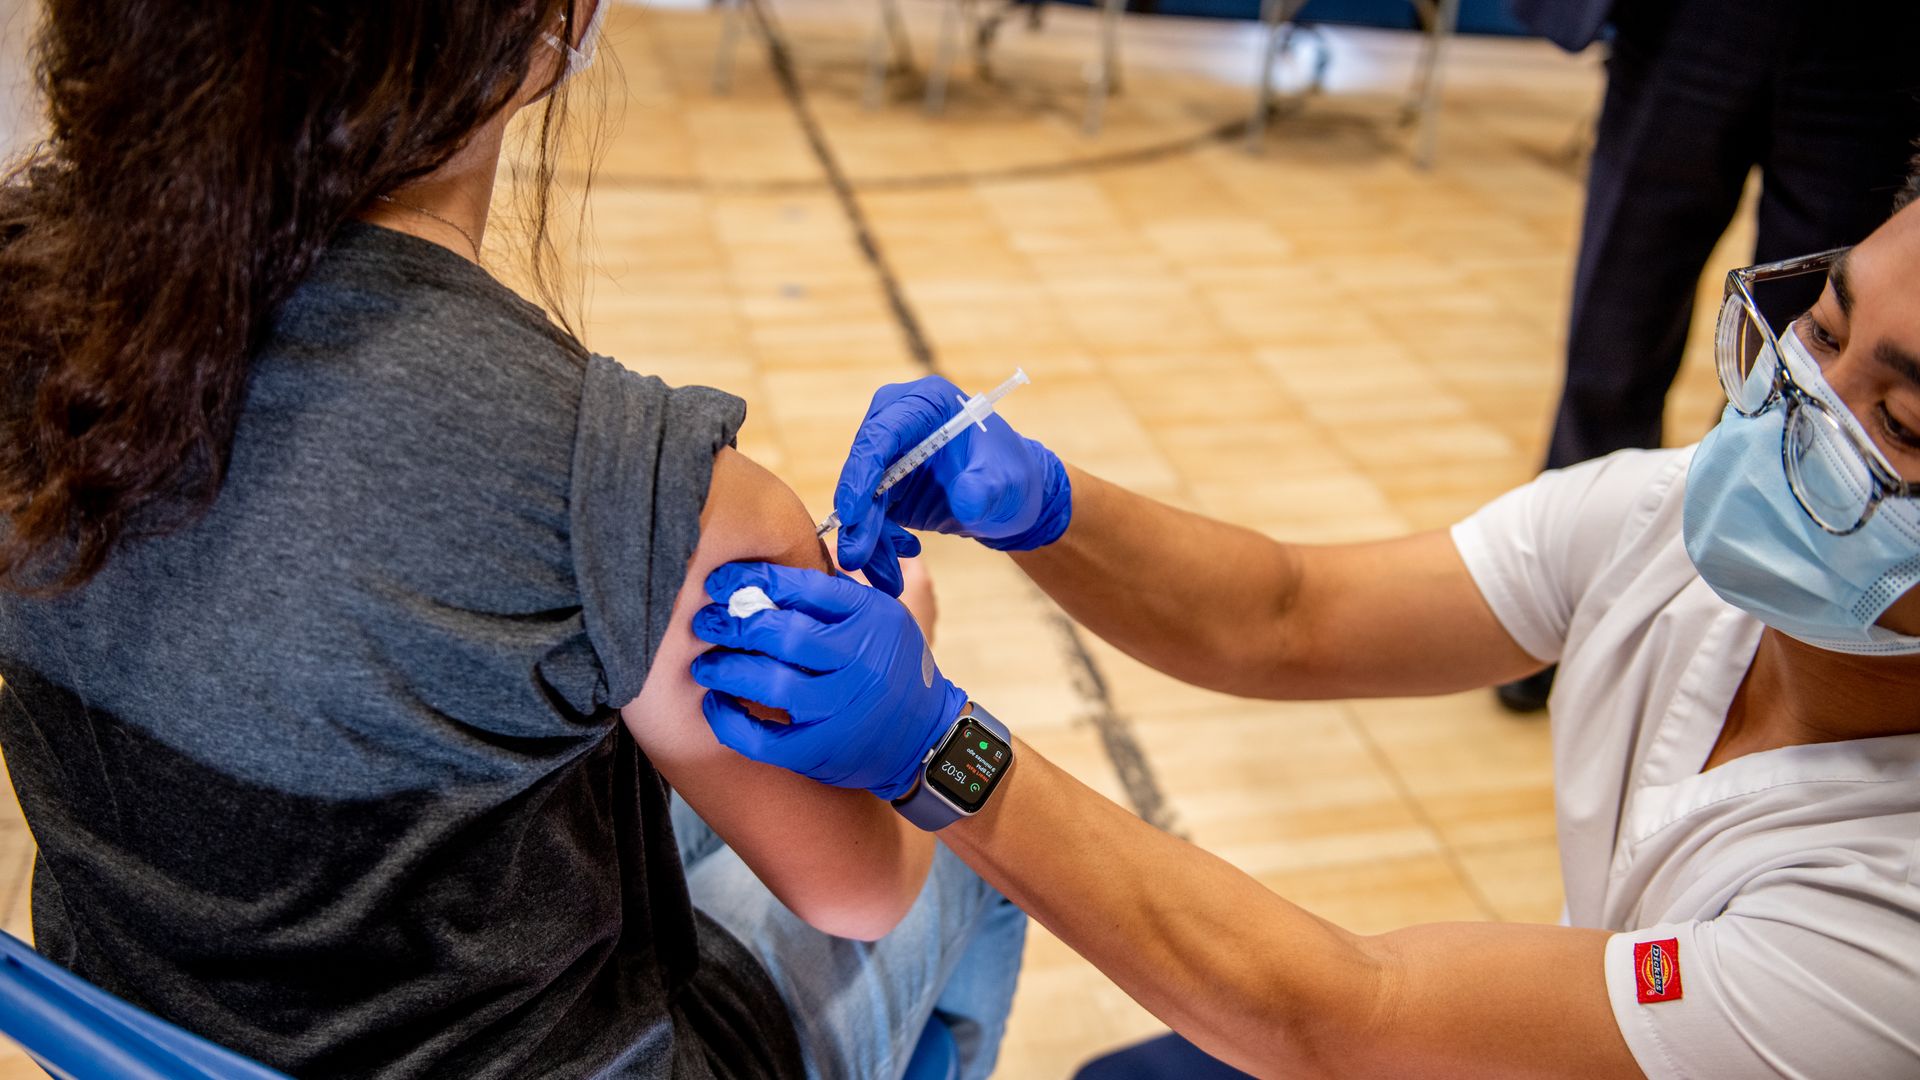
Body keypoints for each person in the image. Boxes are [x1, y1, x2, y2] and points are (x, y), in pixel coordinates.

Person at [686, 172, 1920, 1076]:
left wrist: (938, 751)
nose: (1798, 406)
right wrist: (1047, 508)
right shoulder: (1671, 528)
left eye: (1901, 424)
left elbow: (1349, 1020)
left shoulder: (1886, 947)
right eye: (1820, 329)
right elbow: (1292, 617)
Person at [0, 3, 1021, 1078]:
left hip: (139, 1041)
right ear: (542, 32)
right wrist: (919, 713)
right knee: (984, 851)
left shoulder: (27, 298)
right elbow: (857, 894)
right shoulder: (645, 488)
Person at [1494, 0, 1920, 711]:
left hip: (1876, 42)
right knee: (1612, 337)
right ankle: (1564, 609)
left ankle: (1726, 628)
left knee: (1803, 386)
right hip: (1691, 18)